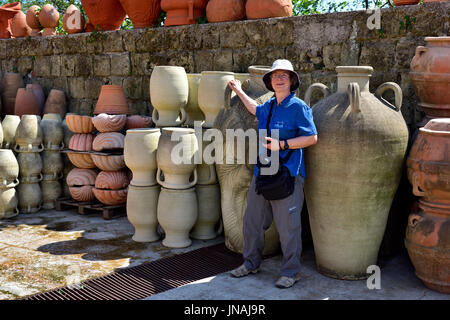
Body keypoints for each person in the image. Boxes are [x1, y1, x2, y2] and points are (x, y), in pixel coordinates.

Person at [227, 59, 318, 288]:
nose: (279, 79)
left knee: (288, 227)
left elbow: (312, 137)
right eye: (275, 75)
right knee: (252, 222)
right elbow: (254, 110)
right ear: (270, 81)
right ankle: (250, 263)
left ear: (291, 81)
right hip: (263, 172)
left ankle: (291, 272)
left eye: (284, 76)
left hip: (288, 174)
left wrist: (283, 145)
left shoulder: (299, 108)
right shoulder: (268, 106)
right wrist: (238, 90)